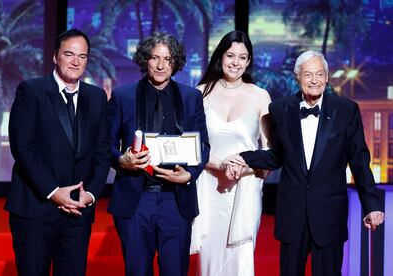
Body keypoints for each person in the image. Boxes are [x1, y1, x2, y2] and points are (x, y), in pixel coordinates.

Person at [227, 50, 385, 276]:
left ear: (327, 77)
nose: (314, 81)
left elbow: (359, 160)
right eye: (308, 75)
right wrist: (244, 157)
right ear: (297, 77)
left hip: (329, 216)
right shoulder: (281, 109)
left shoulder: (346, 110)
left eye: (320, 74)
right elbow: (277, 156)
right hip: (293, 215)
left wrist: (372, 205)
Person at [5, 28, 110, 276]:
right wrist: (53, 192)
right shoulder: (31, 91)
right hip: (35, 210)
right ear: (55, 56)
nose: (75, 61)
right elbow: (23, 147)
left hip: (78, 211)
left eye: (82, 56)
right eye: (69, 54)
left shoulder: (96, 97)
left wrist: (91, 195)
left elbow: (103, 151)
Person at [108, 32, 210, 276]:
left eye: (168, 59)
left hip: (176, 200)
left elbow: (203, 146)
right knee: (137, 271)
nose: (161, 65)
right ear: (146, 60)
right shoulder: (123, 96)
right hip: (136, 199)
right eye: (155, 58)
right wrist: (122, 160)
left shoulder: (191, 97)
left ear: (175, 63)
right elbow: (105, 144)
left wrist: (189, 175)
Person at [189, 30, 271, 275]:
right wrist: (220, 164)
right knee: (210, 261)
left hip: (245, 189)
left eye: (242, 57)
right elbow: (191, 146)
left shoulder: (260, 96)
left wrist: (243, 166)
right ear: (220, 56)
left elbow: (270, 153)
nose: (236, 62)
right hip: (208, 188)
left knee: (241, 260)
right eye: (230, 55)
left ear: (248, 62)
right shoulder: (200, 93)